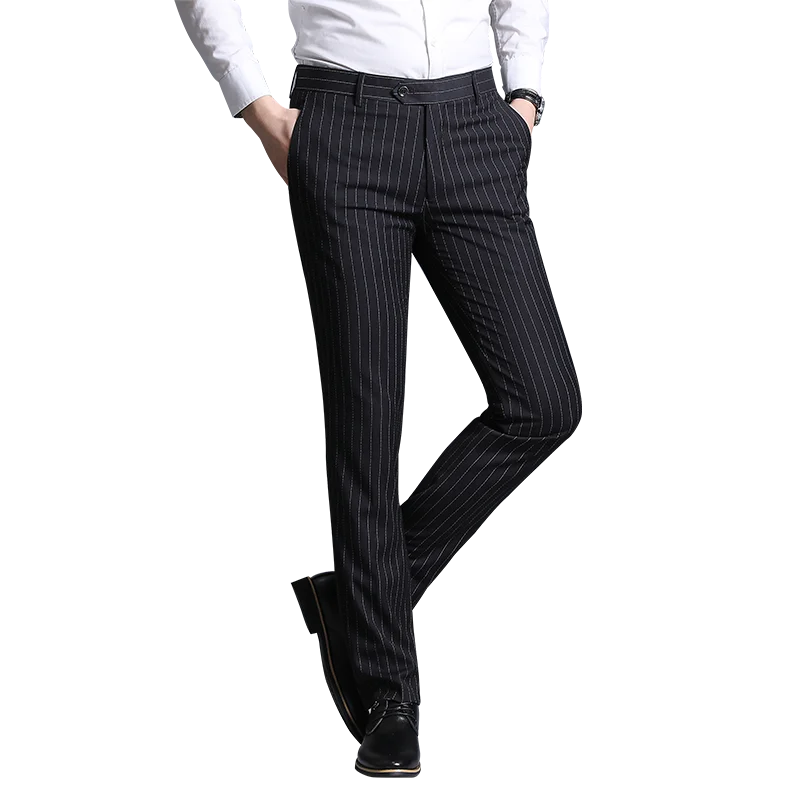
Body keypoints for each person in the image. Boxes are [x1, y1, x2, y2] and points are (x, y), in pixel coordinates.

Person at [172, 0, 580, 779]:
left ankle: (358, 602)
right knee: (366, 417)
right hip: (347, 125)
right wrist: (257, 106)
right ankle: (390, 692)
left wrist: (525, 94)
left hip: (476, 121)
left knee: (544, 400)